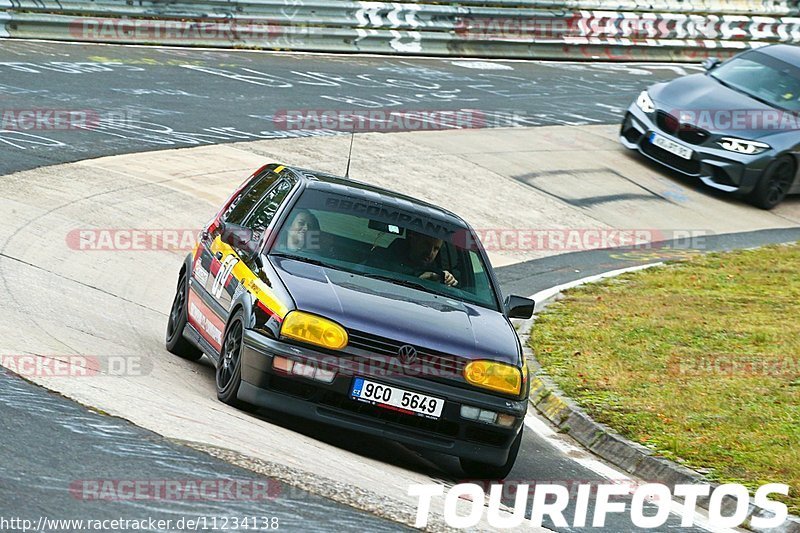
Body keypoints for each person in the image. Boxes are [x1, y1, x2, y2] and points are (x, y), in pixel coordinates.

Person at [380, 229, 458, 287]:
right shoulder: (385, 262)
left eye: (436, 249)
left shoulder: (436, 271)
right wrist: (418, 279)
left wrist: (447, 279)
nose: (430, 252)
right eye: (426, 245)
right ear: (413, 240)